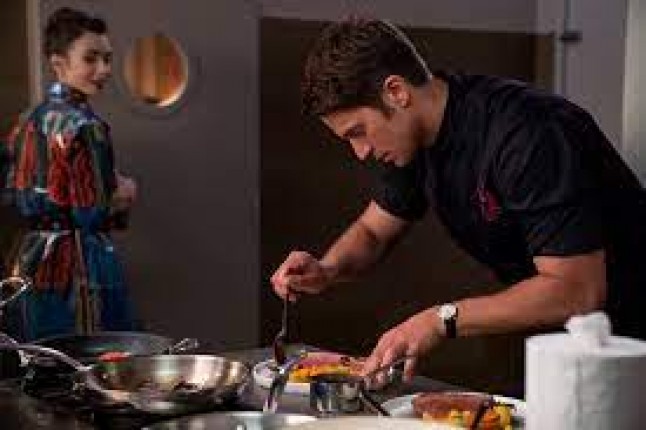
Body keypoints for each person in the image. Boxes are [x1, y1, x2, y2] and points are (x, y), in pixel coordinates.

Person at [270, 18, 646, 381]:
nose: (361, 152)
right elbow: (373, 231)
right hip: (571, 338)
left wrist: (440, 320)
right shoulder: (412, 138)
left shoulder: (528, 135)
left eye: (359, 131)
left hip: (631, 339)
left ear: (396, 92)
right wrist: (327, 268)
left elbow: (576, 291)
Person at [0, 7, 138, 341]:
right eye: (91, 59)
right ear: (58, 63)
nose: (103, 69)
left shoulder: (25, 121)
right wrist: (122, 192)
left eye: (107, 59)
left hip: (27, 257)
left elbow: (9, 193)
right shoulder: (86, 126)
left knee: (33, 354)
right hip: (79, 261)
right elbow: (92, 212)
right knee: (96, 355)